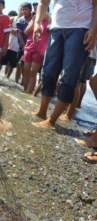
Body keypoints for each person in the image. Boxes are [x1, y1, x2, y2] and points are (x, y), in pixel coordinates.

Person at [31, 0, 96, 129]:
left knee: (68, 76)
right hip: (56, 29)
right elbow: (43, 3)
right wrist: (37, 23)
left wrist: (94, 29)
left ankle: (52, 120)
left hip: (80, 30)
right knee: (48, 72)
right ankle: (42, 111)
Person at [60, 45, 96, 120]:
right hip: (90, 54)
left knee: (77, 82)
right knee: (81, 82)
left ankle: (69, 114)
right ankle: (73, 107)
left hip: (87, 53)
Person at [23, 13, 51, 94]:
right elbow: (26, 32)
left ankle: (28, 93)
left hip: (40, 50)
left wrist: (49, 19)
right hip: (28, 47)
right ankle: (24, 91)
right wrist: (34, 21)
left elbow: (51, 32)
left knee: (33, 72)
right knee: (26, 70)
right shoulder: (35, 19)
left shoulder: (50, 20)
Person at [16, 2, 32, 87]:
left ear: (30, 10)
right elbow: (19, 34)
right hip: (22, 45)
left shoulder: (34, 19)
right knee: (20, 63)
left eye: (26, 9)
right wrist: (23, 45)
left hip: (32, 45)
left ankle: (27, 80)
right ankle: (24, 78)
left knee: (29, 64)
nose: (24, 11)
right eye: (22, 9)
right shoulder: (20, 21)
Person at [0, 10, 19, 79]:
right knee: (3, 62)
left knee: (11, 64)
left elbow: (21, 33)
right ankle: (4, 76)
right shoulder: (12, 20)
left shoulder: (21, 21)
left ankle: (6, 77)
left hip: (16, 47)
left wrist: (15, 31)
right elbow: (6, 29)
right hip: (8, 45)